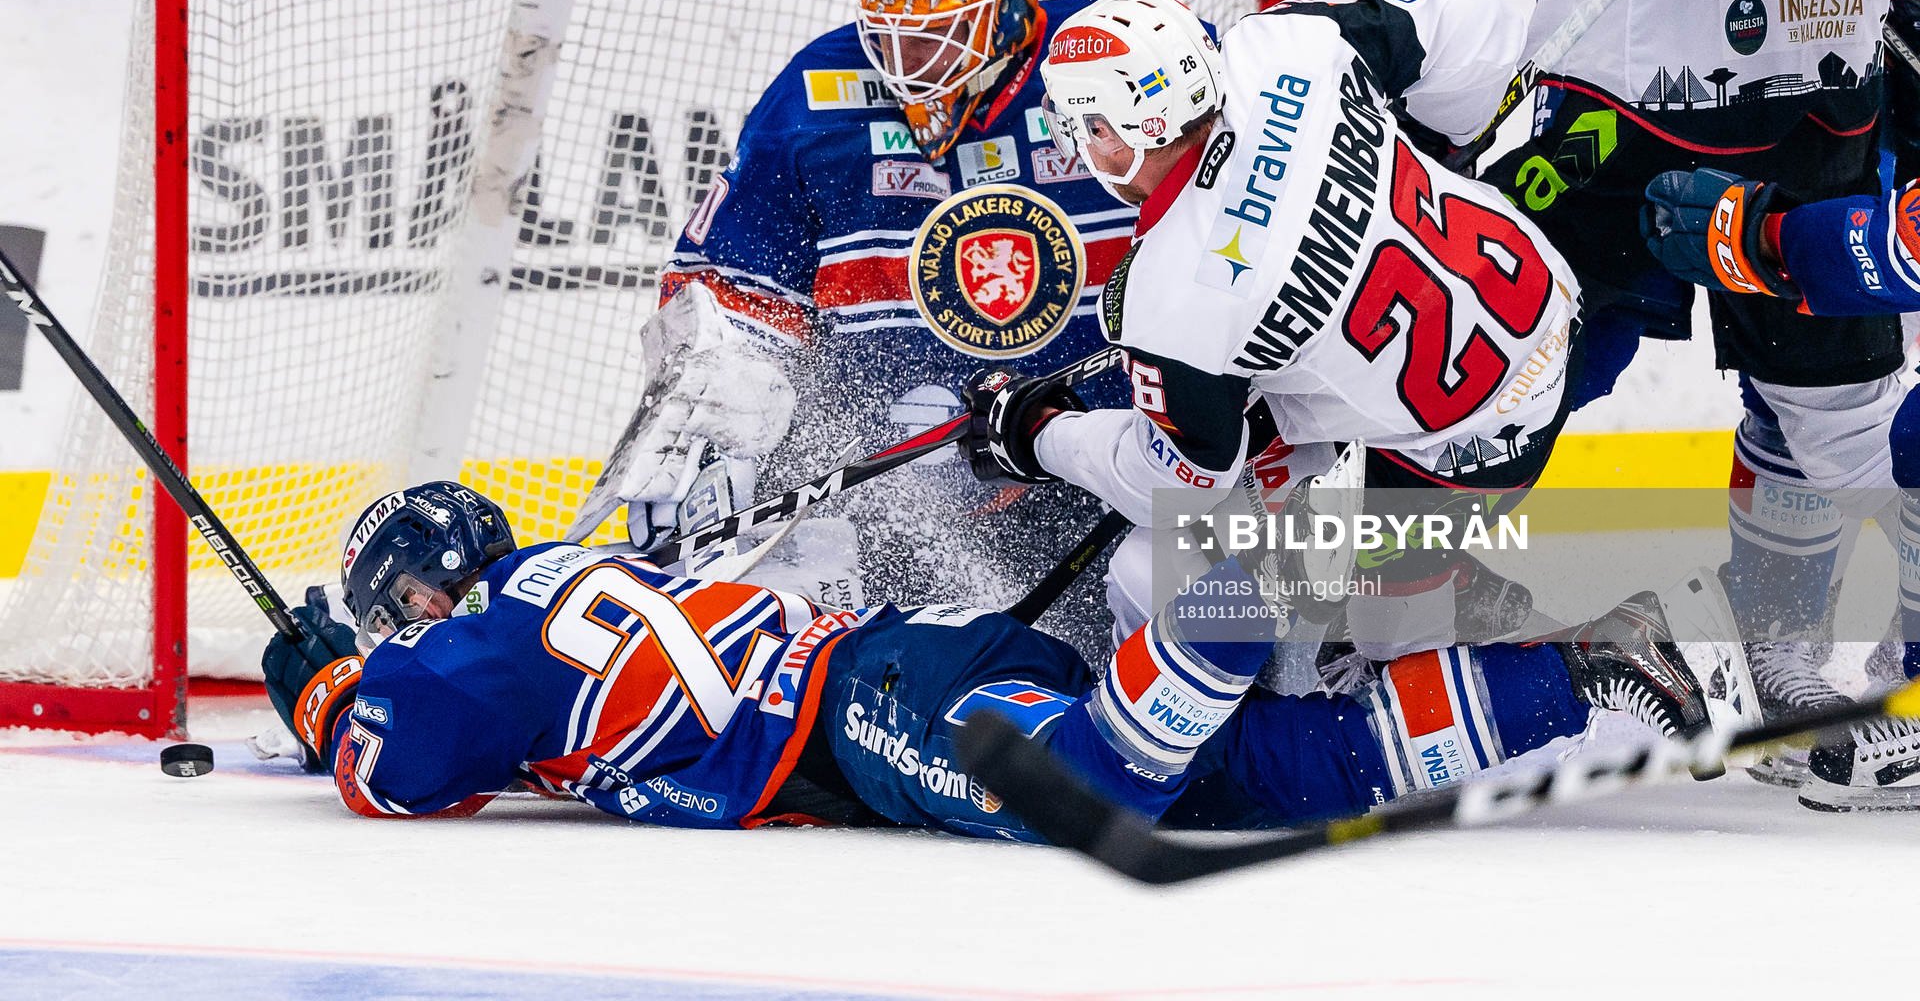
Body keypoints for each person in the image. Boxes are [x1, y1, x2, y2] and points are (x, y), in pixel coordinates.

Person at [261, 480, 1749, 830]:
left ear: (421, 592)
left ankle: (1236, 579)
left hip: (863, 711)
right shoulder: (559, 571)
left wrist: (316, 683)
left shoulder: (465, 653)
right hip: (899, 665)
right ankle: (1595, 666)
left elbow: (396, 766)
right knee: (1250, 780)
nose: (394, 629)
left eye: (391, 605)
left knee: (1113, 788)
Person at [1457, 0, 1907, 808]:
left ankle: (1782, 651)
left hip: (1820, 94)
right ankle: (1381, 613)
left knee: (1844, 413)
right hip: (1614, 112)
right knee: (1486, 381)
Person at [968, 0, 1583, 667]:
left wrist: (1037, 434)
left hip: (1465, 459)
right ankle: (1446, 597)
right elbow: (1461, 4)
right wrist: (1443, 138)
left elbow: (1171, 486)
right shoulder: (1286, 47)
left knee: (1160, 581)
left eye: (1083, 125)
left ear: (1128, 133)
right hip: (1549, 305)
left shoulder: (1167, 297)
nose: (1078, 144)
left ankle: (1553, 656)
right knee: (1271, 449)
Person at [627, 0, 1144, 651]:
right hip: (894, 487)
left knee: (1192, 625)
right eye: (895, 43)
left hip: (1113, 467)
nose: (911, 69)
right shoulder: (812, 95)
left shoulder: (1103, 59)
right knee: (871, 688)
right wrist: (718, 426)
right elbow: (730, 288)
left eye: (938, 42)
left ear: (1008, 12)